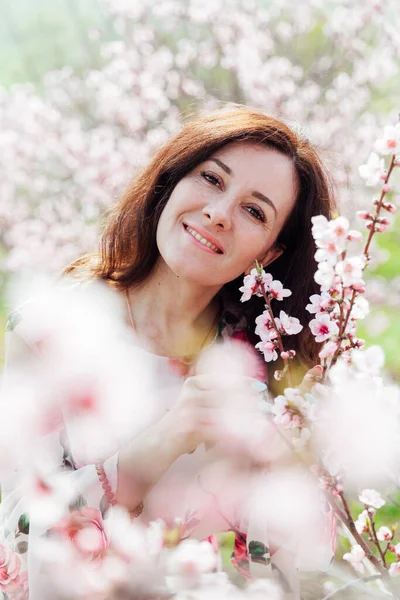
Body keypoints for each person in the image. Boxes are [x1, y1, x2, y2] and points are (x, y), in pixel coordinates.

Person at [1, 106, 335, 599]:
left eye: (254, 211)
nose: (219, 214)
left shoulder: (265, 369)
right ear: (172, 181)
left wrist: (291, 468)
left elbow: (295, 572)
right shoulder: (53, 330)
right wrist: (163, 441)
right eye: (211, 179)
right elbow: (15, 540)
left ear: (269, 254)